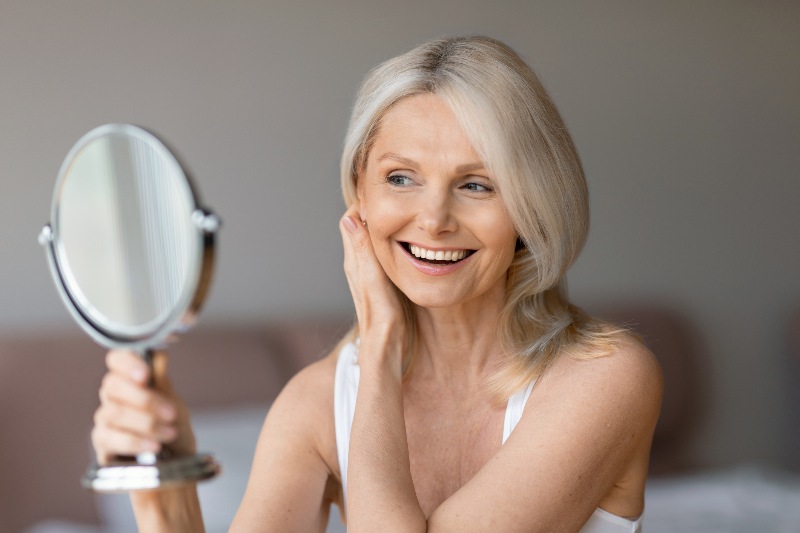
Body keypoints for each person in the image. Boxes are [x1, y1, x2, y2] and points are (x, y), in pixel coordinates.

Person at [92, 35, 662, 532]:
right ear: (359, 192)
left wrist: (383, 342)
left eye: (478, 185)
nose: (434, 218)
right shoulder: (316, 405)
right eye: (401, 177)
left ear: (529, 207)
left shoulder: (604, 377)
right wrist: (162, 498)